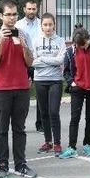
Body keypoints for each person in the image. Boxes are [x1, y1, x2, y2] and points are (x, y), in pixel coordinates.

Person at [0, 0, 37, 178]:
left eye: (14, 14)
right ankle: (2, 165)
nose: (12, 18)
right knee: (1, 129)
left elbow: (30, 62)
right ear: (1, 16)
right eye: (8, 14)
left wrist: (24, 45)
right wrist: (0, 41)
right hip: (1, 88)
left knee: (19, 129)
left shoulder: (24, 34)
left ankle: (21, 164)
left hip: (21, 87)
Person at [59, 27, 90, 159]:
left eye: (86, 43)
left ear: (88, 38)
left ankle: (87, 144)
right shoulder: (71, 52)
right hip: (78, 88)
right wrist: (72, 83)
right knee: (75, 118)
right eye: (81, 45)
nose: (85, 46)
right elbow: (66, 71)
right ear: (76, 43)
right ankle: (72, 147)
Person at [32, 13, 66, 156]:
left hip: (55, 80)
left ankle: (57, 143)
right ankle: (48, 141)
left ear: (54, 25)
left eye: (50, 24)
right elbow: (33, 62)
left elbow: (60, 60)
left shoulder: (61, 41)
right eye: (45, 25)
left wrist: (42, 59)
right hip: (40, 80)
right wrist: (50, 60)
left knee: (53, 112)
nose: (48, 27)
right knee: (44, 112)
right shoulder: (35, 41)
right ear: (41, 26)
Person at [15, 0, 41, 132]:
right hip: (23, 63)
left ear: (37, 9)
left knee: (40, 95)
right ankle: (21, 123)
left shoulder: (42, 24)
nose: (31, 11)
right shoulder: (18, 25)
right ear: (24, 9)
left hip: (38, 63)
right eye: (29, 9)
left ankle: (40, 124)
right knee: (22, 95)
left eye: (34, 9)